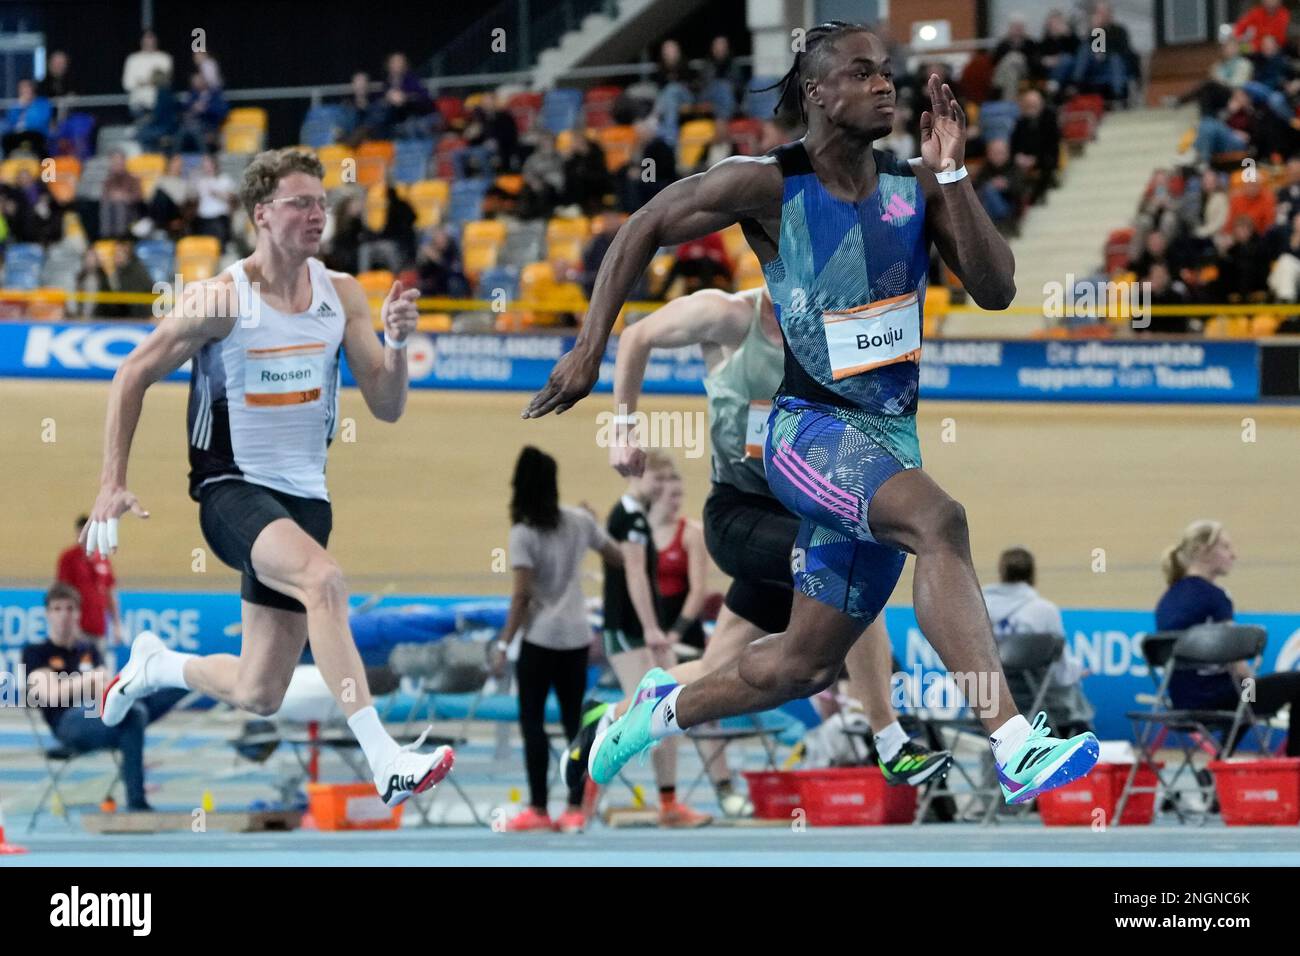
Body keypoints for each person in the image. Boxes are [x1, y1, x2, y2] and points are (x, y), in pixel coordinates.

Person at [525, 22, 1099, 805]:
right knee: (940, 522)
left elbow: (995, 289)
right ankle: (1014, 742)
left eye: (888, 72)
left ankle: (659, 710)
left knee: (804, 664)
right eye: (863, 73)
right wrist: (590, 349)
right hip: (808, 435)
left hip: (888, 440)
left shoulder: (916, 188)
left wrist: (955, 171)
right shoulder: (768, 183)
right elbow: (644, 224)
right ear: (818, 92)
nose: (885, 85)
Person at [80, 147, 453, 809]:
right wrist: (112, 480)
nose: (317, 215)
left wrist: (396, 346)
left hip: (307, 500)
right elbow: (131, 372)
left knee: (260, 692)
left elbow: (388, 407)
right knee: (325, 580)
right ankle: (385, 757)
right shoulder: (221, 300)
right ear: (261, 214)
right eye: (300, 203)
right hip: (230, 490)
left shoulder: (342, 295)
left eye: (321, 203)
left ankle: (156, 666)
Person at [565, 285, 952, 815]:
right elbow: (635, 337)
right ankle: (889, 741)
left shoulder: (827, 331)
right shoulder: (727, 316)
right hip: (738, 515)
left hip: (800, 515)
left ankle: (610, 717)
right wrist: (623, 429)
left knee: (714, 667)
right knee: (852, 565)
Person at [492, 447, 623, 832]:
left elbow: (521, 597)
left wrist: (503, 645)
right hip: (577, 638)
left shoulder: (522, 533)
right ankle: (573, 809)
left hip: (540, 640)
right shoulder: (579, 521)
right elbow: (617, 556)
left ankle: (537, 808)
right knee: (573, 724)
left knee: (532, 724)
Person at [602, 450, 711, 827]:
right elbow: (634, 576)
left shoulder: (638, 520)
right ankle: (584, 789)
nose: (665, 489)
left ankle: (668, 803)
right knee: (643, 713)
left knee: (666, 715)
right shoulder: (630, 516)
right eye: (659, 480)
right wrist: (650, 629)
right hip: (629, 632)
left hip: (644, 632)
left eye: (670, 481)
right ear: (638, 474)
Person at [23, 584, 186, 812]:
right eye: (57, 609)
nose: (64, 615)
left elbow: (104, 688)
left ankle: (194, 677)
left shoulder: (88, 649)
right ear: (47, 614)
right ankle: (137, 798)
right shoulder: (36, 651)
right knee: (135, 715)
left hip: (102, 713)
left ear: (79, 613)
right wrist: (89, 679)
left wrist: (85, 683)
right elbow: (49, 695)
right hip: (68, 724)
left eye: (70, 609)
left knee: (156, 698)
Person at [1156, 520, 1300, 756]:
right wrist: (1258, 688)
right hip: (1219, 699)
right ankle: (1294, 768)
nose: (1234, 555)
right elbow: (1238, 666)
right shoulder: (1215, 597)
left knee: (1245, 697)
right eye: (1225, 547)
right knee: (1290, 685)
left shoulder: (1168, 598)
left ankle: (1223, 757)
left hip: (1181, 702)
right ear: (1203, 551)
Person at [983, 547, 1093, 738]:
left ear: (1001, 572)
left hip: (989, 704)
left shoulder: (979, 605)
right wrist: (1075, 672)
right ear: (1033, 574)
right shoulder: (1044, 611)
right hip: (1036, 705)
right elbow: (1062, 672)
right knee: (1075, 701)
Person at [648, 473, 710, 652]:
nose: (677, 501)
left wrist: (675, 633)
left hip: (682, 625)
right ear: (656, 495)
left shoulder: (691, 532)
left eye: (679, 495)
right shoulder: (641, 531)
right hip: (650, 624)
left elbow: (698, 591)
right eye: (672, 495)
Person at [57, 516, 122, 647]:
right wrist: (70, 626)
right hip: (77, 630)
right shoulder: (69, 558)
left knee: (98, 665)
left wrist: (117, 624)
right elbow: (63, 594)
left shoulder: (103, 559)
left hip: (98, 628)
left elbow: (110, 594)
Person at [122, 30, 173, 117]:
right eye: (146, 39)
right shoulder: (133, 59)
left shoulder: (164, 58)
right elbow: (127, 84)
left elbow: (165, 81)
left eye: (151, 38)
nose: (149, 42)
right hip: (138, 105)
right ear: (141, 41)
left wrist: (142, 82)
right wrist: (151, 80)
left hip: (159, 105)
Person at [194, 154, 237, 247]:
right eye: (205, 166)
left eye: (209, 165)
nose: (207, 168)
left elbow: (232, 198)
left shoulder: (224, 179)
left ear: (215, 165)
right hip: (203, 218)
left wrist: (217, 193)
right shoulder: (200, 181)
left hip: (219, 217)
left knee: (219, 244)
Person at [1, 78, 52, 157]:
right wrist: (20, 106)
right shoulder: (16, 105)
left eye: (26, 87)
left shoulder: (42, 103)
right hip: (17, 134)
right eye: (21, 88)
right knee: (6, 139)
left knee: (36, 142)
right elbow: (11, 121)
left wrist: (28, 106)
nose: (24, 90)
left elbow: (39, 122)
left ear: (32, 88)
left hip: (36, 133)